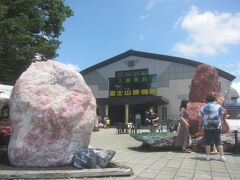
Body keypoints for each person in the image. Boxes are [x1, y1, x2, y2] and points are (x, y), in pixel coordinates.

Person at [199, 95, 225, 162]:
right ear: (214, 100)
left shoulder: (204, 107)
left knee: (208, 141)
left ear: (207, 100)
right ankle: (222, 157)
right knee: (218, 140)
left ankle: (208, 156)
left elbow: (201, 117)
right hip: (217, 126)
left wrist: (200, 125)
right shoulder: (218, 106)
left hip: (207, 127)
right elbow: (221, 116)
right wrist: (221, 123)